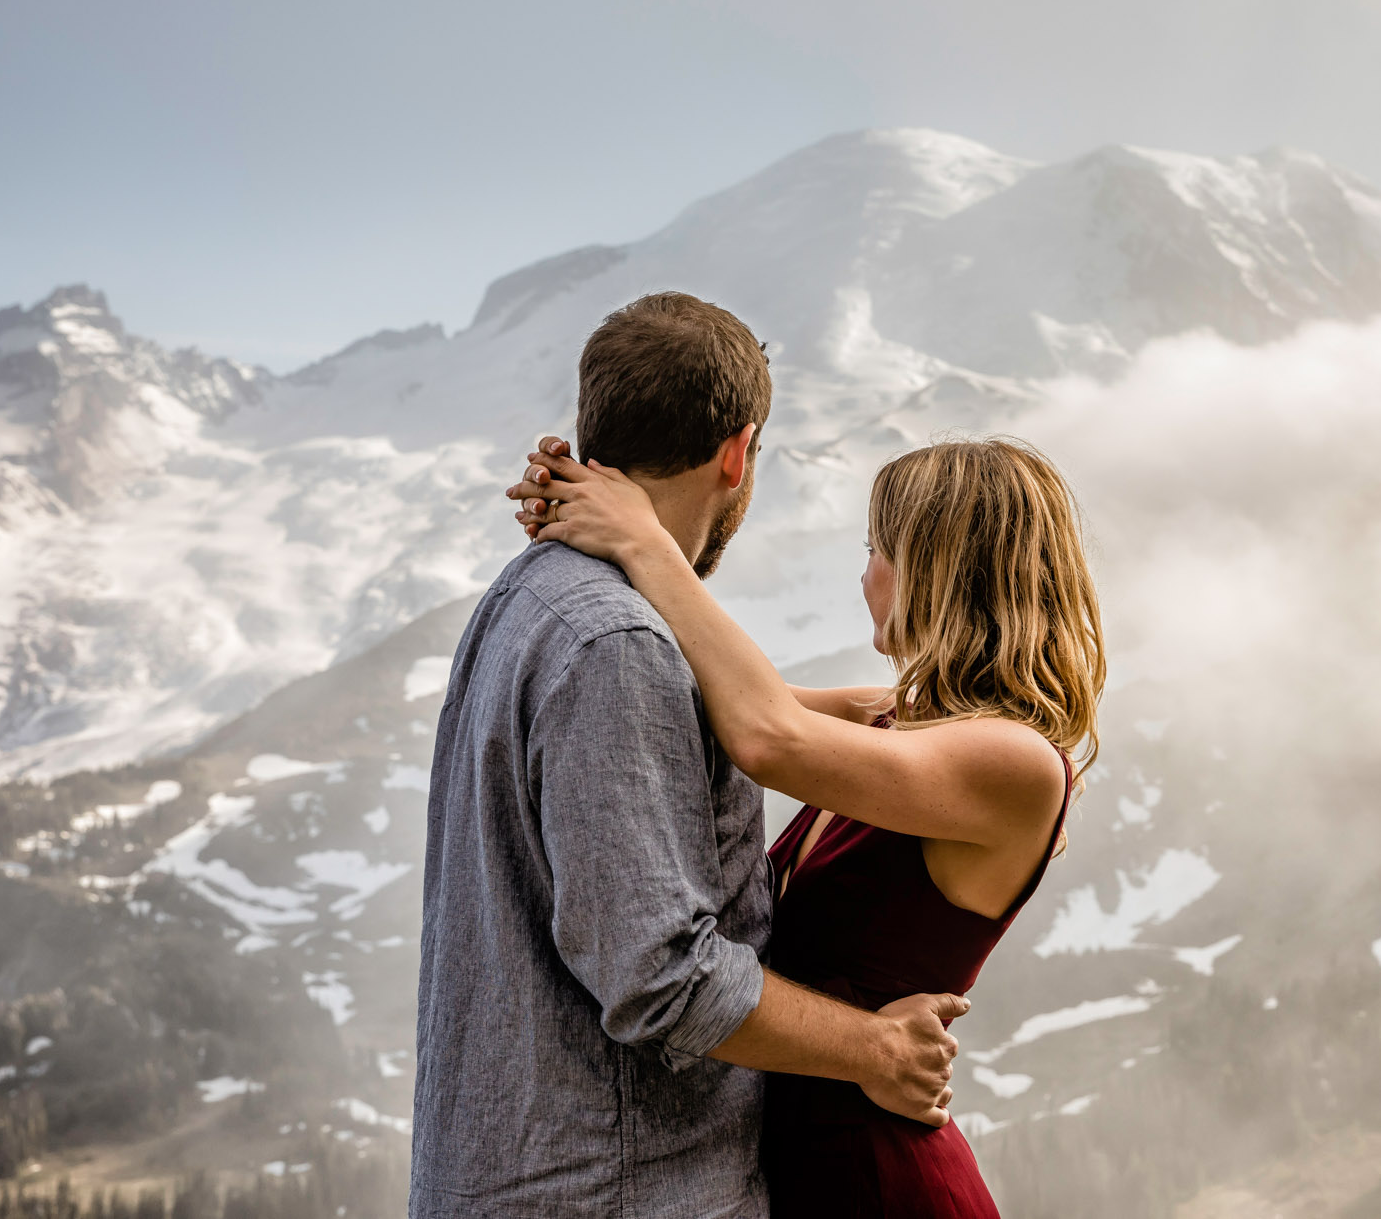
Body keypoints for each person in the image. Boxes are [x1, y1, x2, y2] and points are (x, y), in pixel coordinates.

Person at [411, 292, 970, 1219]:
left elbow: (708, 709)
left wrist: (890, 711)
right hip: (622, 1192)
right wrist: (878, 1048)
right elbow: (660, 976)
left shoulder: (530, 599)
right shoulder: (617, 646)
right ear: (737, 452)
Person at [508, 415, 1106, 1218]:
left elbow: (766, 734)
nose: (865, 577)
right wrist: (585, 521)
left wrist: (644, 540)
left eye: (874, 550)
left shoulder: (1017, 765)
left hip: (877, 1178)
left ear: (937, 568)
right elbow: (703, 690)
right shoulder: (900, 719)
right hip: (803, 1163)